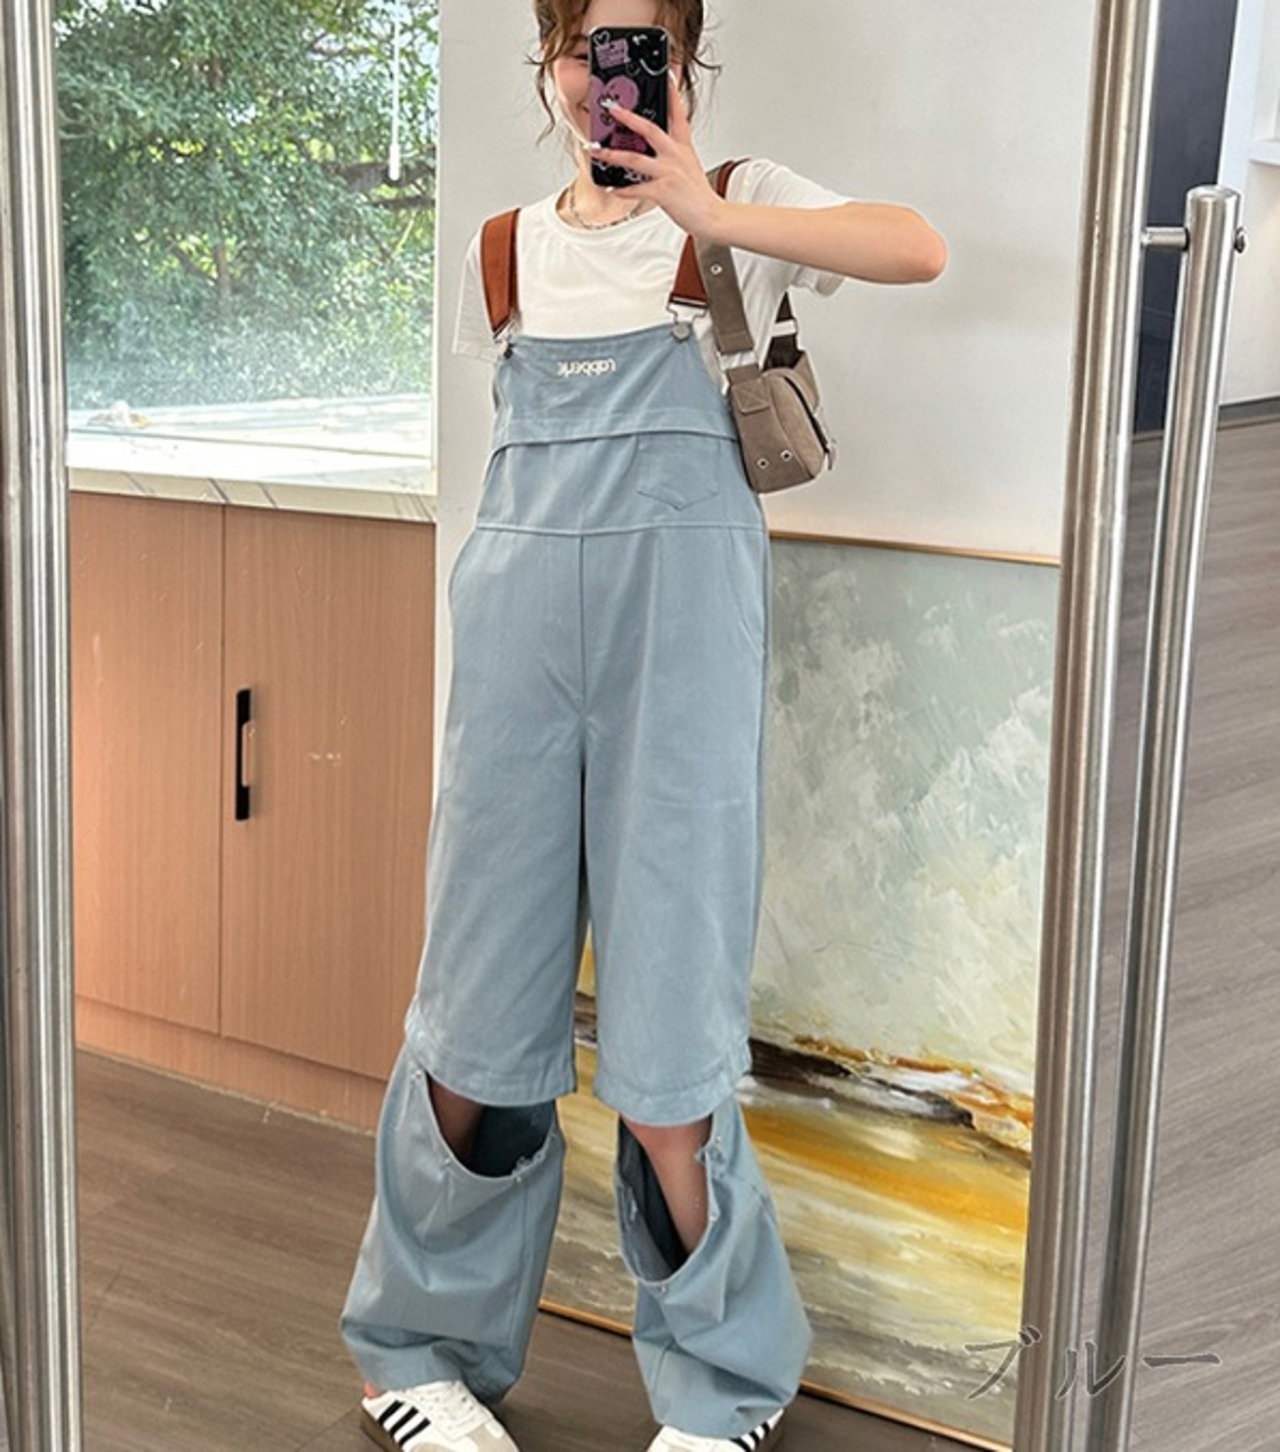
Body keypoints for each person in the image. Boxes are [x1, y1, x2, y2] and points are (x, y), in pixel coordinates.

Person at [340, 3, 946, 1450]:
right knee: (473, 1022)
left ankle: (726, 1382)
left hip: (678, 650)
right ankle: (415, 1356)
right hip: (514, 650)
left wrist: (701, 205)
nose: (605, 79)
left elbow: (918, 247)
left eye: (639, 48)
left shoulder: (735, 208)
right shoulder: (501, 249)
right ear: (548, 60)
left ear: (682, 59)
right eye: (582, 48)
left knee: (671, 1042)